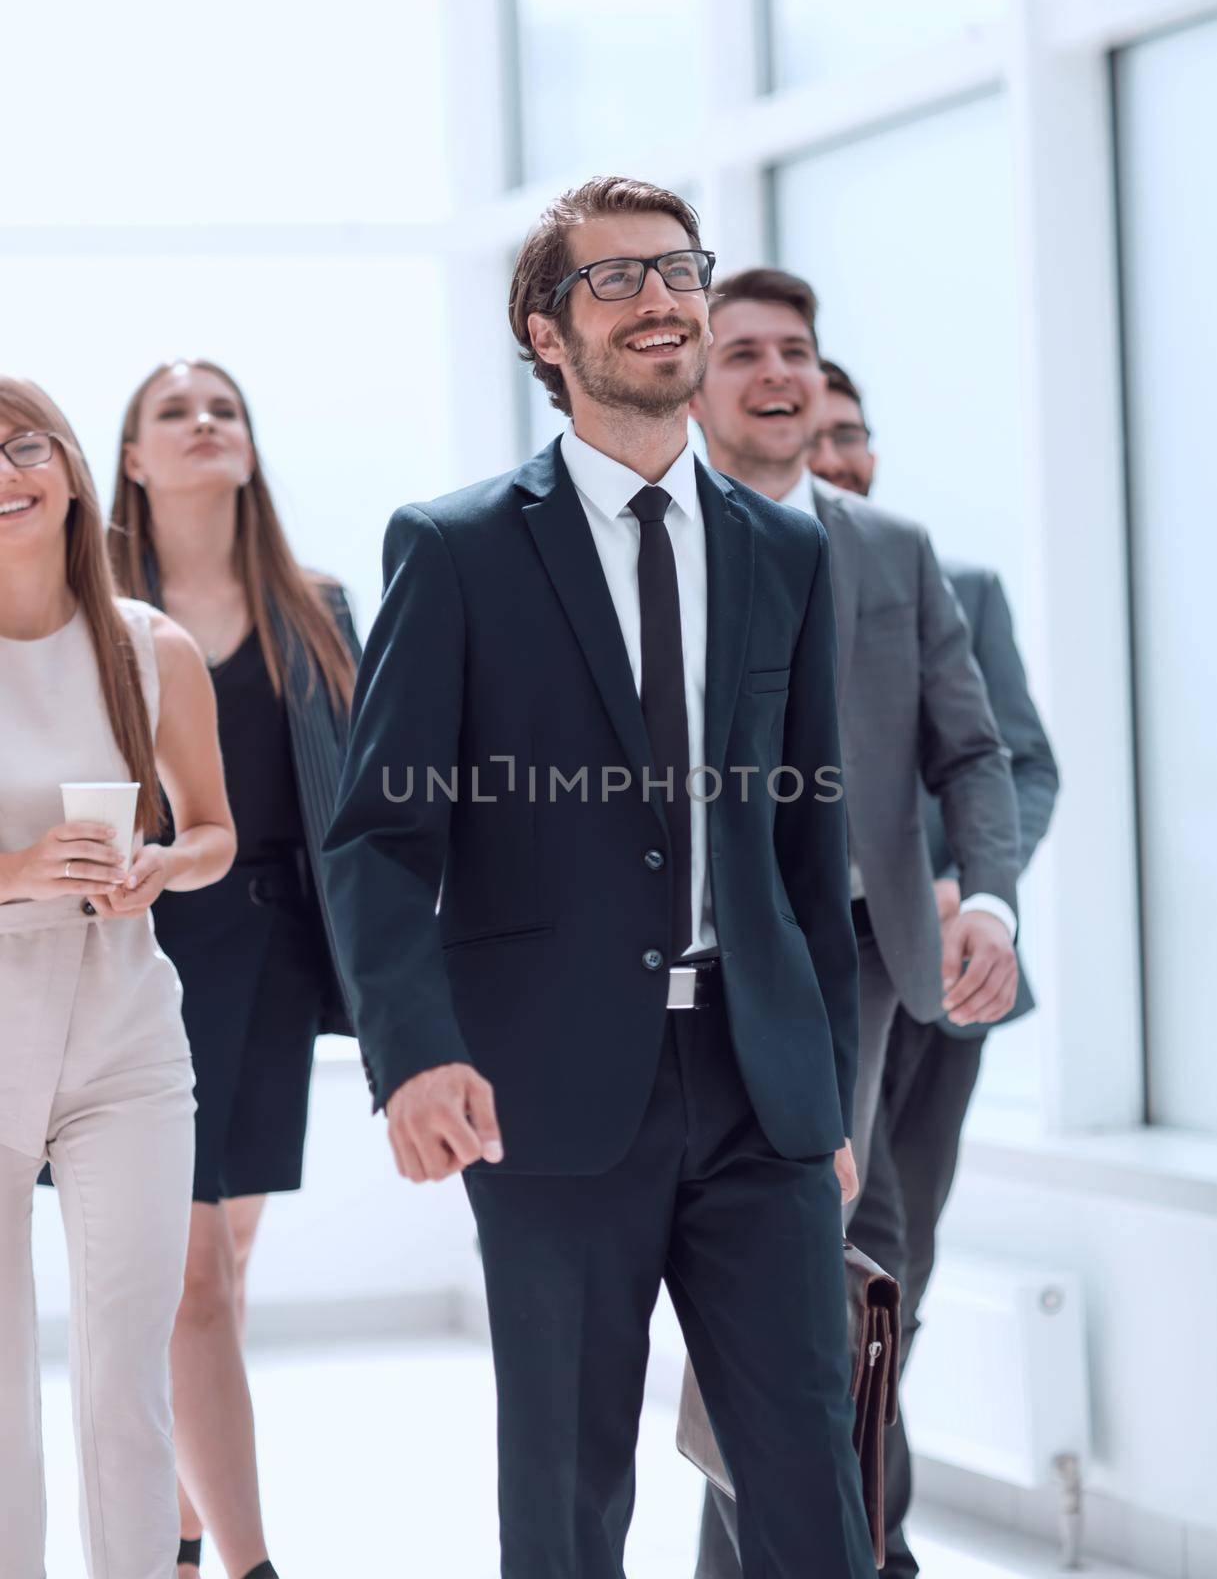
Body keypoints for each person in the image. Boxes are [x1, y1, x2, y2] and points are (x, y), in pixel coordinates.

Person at [324, 176, 876, 1578]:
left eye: (677, 270)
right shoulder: (453, 550)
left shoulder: (785, 553)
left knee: (811, 1474)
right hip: (545, 1086)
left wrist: (828, 1090)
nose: (661, 300)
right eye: (615, 280)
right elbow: (383, 837)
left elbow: (808, 848)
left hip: (760, 1087)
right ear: (545, 332)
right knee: (568, 1485)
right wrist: (413, 1055)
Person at [689, 270, 1022, 1579]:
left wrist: (985, 898)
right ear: (693, 382)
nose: (780, 375)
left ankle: (864, 1559)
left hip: (858, 974)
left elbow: (977, 751)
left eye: (799, 354)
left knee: (852, 1278)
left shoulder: (890, 551)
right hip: (697, 966)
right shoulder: (655, 548)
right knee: (769, 1287)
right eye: (747, 353)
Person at [108, 360, 361, 1579]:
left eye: (227, 411)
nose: (207, 424)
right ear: (134, 460)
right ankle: (248, 1562)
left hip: (271, 956)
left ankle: (179, 1535)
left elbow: (360, 800)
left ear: (249, 452)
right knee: (191, 1271)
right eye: (176, 411)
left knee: (226, 1263)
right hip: (132, 951)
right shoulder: (87, 611)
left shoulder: (317, 606)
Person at [810, 357, 1060, 1579]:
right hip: (819, 978)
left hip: (947, 991)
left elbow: (1013, 761)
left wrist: (979, 887)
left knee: (883, 1279)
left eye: (853, 432)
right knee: (841, 1274)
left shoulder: (951, 583)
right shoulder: (751, 590)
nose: (838, 450)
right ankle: (860, 1549)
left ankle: (826, 1541)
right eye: (817, 430)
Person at [0, 377, 236, 1577]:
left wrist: (158, 868)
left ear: (71, 465)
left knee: (124, 1377)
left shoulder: (150, 646)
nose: (4, 473)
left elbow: (212, 832)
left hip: (126, 1031)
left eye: (20, 443)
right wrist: (21, 866)